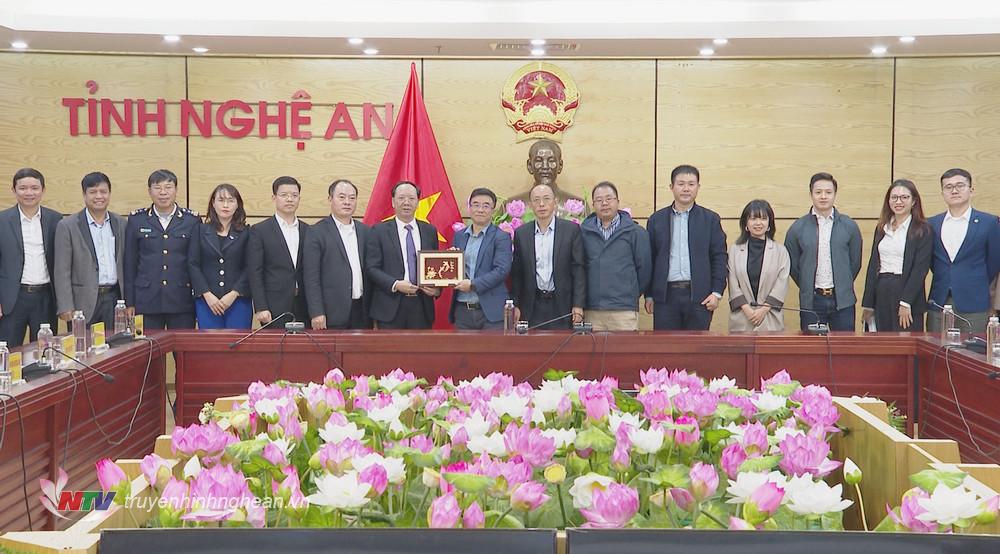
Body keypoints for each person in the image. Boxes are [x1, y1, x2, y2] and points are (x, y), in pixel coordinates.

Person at [645, 164, 728, 330]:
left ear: (698, 187)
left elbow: (719, 257)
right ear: (671, 187)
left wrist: (716, 293)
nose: (686, 189)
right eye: (681, 184)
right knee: (666, 345)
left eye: (691, 184)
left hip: (700, 296)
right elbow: (649, 259)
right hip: (665, 296)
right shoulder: (656, 220)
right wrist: (649, 294)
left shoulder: (710, 219)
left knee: (697, 345)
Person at [784, 172, 863, 332]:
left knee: (844, 345)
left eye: (828, 192)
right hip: (812, 301)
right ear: (811, 194)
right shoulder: (798, 228)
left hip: (843, 301)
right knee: (812, 346)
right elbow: (792, 264)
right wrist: (807, 283)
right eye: (818, 192)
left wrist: (842, 283)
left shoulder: (849, 226)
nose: (823, 196)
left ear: (835, 194)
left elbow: (855, 263)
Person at [927, 168, 1000, 333]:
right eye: (948, 187)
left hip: (974, 301)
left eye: (960, 185)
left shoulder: (989, 222)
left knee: (972, 347)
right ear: (942, 193)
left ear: (971, 190)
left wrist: (973, 277)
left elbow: (994, 261)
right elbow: (931, 261)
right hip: (940, 300)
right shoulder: (932, 224)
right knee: (936, 346)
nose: (954, 190)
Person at [124, 169, 199, 330]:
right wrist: (129, 302)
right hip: (145, 301)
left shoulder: (191, 221)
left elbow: (195, 262)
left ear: (176, 190)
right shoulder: (137, 220)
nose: (163, 192)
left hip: (181, 300)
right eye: (157, 188)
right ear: (149, 191)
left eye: (168, 187)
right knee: (148, 346)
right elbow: (130, 264)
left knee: (183, 346)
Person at [53, 172, 126, 331]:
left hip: (115, 298)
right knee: (83, 344)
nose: (99, 196)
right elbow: (61, 270)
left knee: (116, 343)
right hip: (82, 302)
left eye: (103, 191)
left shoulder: (121, 223)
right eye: (93, 192)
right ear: (84, 195)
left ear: (109, 193)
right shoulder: (68, 225)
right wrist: (65, 305)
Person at [365, 181, 441, 329]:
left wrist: (437, 289)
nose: (406, 202)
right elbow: (372, 268)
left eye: (411, 198)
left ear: (418, 202)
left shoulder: (430, 231)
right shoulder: (378, 231)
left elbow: (435, 266)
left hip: (421, 306)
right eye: (401, 198)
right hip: (390, 306)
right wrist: (395, 284)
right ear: (393, 202)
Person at [510, 183, 586, 329]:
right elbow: (517, 274)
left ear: (555, 202)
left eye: (546, 199)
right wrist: (516, 304)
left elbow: (578, 269)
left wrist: (578, 304)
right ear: (530, 205)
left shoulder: (571, 230)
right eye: (536, 200)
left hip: (562, 305)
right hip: (532, 305)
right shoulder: (522, 233)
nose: (541, 204)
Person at [861, 180, 933, 332]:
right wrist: (868, 303)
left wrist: (906, 302)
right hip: (882, 288)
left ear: (914, 201)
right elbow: (873, 265)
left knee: (906, 340)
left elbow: (920, 270)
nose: (898, 202)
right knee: (882, 340)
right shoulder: (882, 227)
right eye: (894, 197)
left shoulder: (922, 229)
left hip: (907, 291)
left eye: (904, 197)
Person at [0, 168, 62, 346]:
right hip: (12, 299)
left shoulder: (56, 219)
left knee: (44, 352)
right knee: (8, 351)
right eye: (23, 188)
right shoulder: (2, 220)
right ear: (14, 190)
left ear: (43, 190)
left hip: (46, 298)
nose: (29, 193)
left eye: (34, 188)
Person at [580, 182, 651, 331]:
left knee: (625, 347)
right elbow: (579, 269)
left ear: (618, 201)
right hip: (592, 310)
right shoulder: (583, 233)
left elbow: (644, 270)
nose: (604, 203)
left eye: (609, 198)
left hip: (624, 310)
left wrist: (629, 293)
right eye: (599, 200)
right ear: (593, 205)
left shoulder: (636, 232)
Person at [303, 179, 371, 330]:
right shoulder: (316, 232)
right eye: (341, 197)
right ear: (330, 199)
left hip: (362, 310)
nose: (347, 202)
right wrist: (316, 312)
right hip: (331, 312)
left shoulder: (366, 231)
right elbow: (311, 277)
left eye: (352, 198)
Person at [247, 176, 310, 328]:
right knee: (276, 343)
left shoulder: (309, 230)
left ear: (299, 199)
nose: (290, 199)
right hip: (274, 305)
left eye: (294, 195)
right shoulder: (260, 231)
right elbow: (255, 272)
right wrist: (260, 307)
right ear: (274, 198)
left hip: (305, 304)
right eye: (284, 195)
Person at [189, 183, 252, 329]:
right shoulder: (200, 230)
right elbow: (193, 264)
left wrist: (234, 294)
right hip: (207, 301)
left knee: (238, 342)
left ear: (238, 205)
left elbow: (250, 267)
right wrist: (207, 294)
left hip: (238, 300)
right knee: (210, 342)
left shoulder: (247, 232)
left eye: (231, 201)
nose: (225, 205)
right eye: (221, 200)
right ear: (213, 203)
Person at [448, 187, 513, 330]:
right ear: (469, 208)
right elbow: (454, 270)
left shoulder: (501, 237)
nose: (480, 210)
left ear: (493, 210)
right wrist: (450, 261)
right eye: (476, 205)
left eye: (486, 206)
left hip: (490, 312)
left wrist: (473, 284)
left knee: (491, 346)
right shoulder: (459, 236)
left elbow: (502, 270)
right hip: (462, 310)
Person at [727, 200, 791, 332]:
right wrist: (747, 310)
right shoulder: (734, 251)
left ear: (769, 224)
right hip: (742, 318)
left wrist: (763, 310)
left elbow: (781, 284)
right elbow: (733, 284)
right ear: (745, 223)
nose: (758, 223)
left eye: (763, 218)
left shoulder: (780, 251)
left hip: (770, 319)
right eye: (753, 218)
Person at [507, 139, 585, 212]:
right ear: (530, 166)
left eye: (551, 161)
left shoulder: (580, 207)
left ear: (560, 166)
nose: (545, 166)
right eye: (538, 161)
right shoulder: (509, 207)